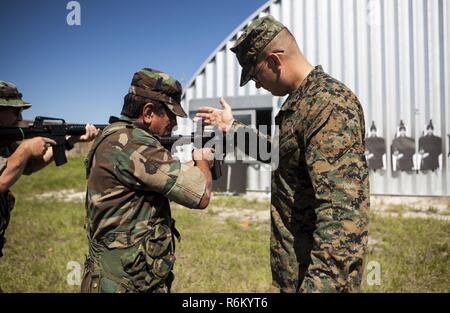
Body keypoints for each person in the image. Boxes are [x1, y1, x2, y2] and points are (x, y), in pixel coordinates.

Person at [197, 16, 369, 292]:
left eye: (255, 75)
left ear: (275, 61)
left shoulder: (328, 104)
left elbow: (342, 216)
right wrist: (231, 127)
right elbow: (279, 155)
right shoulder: (300, 103)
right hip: (294, 272)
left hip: (315, 279)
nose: (256, 85)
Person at [81, 68, 214, 293]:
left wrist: (192, 163)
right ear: (148, 112)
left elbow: (160, 176)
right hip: (122, 283)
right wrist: (203, 161)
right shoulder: (135, 144)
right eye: (170, 114)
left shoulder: (118, 137)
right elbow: (201, 195)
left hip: (118, 277)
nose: (173, 122)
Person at [0, 81, 98, 262]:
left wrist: (70, 141)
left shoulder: (4, 144)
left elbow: (27, 167)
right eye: (15, 111)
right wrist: (27, 148)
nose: (19, 117)